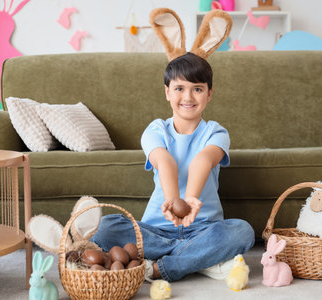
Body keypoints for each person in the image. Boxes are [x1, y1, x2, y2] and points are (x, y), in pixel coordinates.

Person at [91, 8, 255, 282]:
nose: (188, 96)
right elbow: (164, 160)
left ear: (209, 94)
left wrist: (189, 201)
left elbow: (203, 160)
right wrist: (173, 202)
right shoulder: (156, 129)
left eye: (197, 89)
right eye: (179, 88)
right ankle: (196, 258)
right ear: (167, 92)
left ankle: (159, 267)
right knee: (105, 227)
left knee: (242, 231)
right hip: (156, 229)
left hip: (203, 228)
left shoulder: (216, 132)